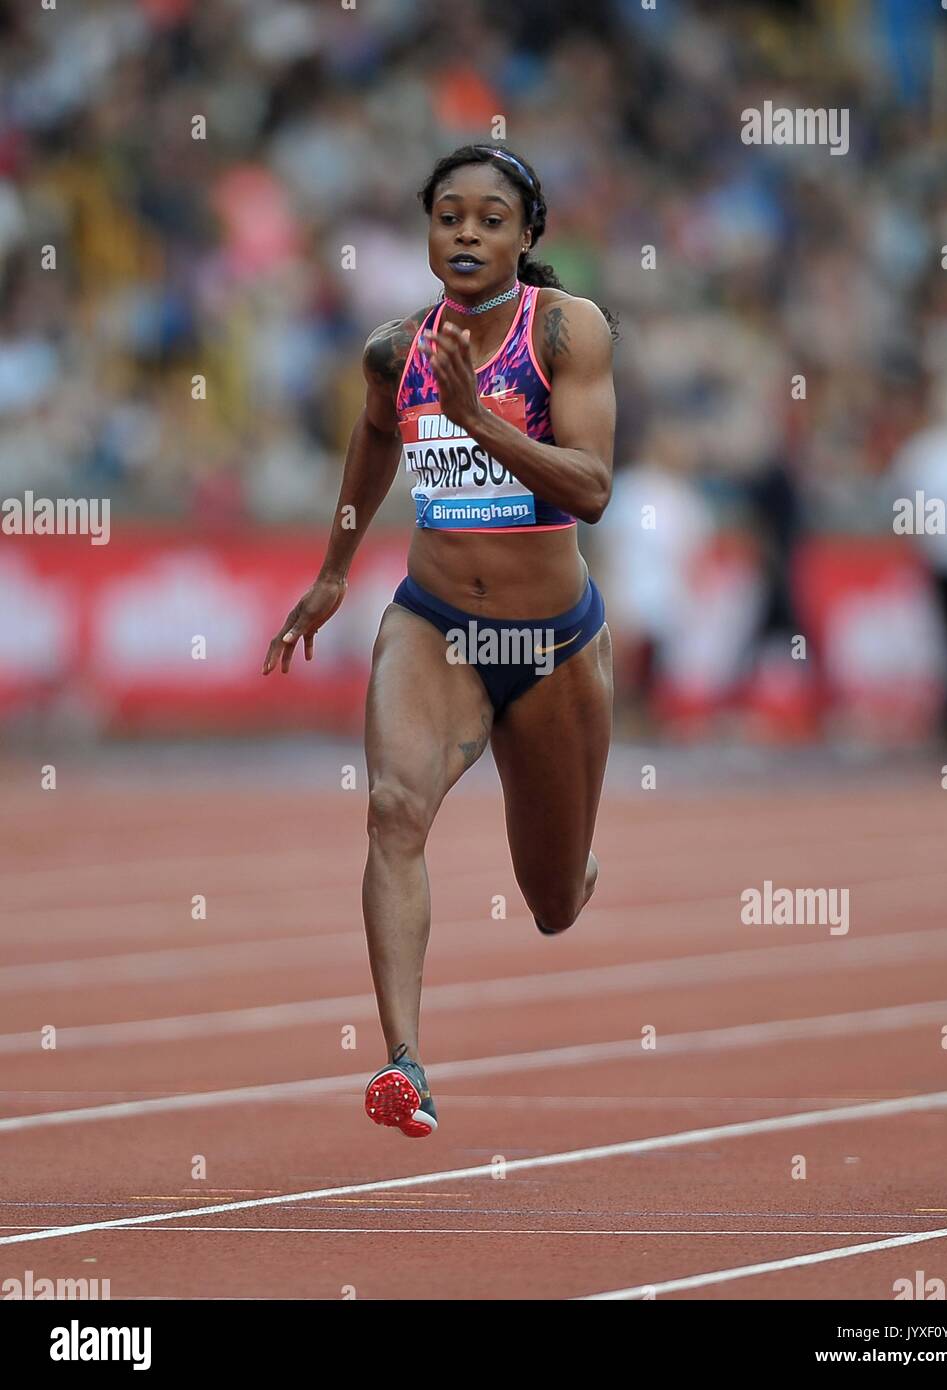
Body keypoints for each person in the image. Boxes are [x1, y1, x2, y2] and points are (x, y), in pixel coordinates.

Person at [263, 144, 617, 1137]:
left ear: (527, 237)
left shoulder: (566, 330)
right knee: (390, 810)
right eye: (449, 215)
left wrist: (477, 420)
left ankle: (576, 860)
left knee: (551, 901)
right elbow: (377, 434)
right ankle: (403, 1063)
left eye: (491, 218)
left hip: (550, 642)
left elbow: (591, 484)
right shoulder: (393, 349)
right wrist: (335, 569)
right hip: (435, 624)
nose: (466, 232)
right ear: (427, 232)